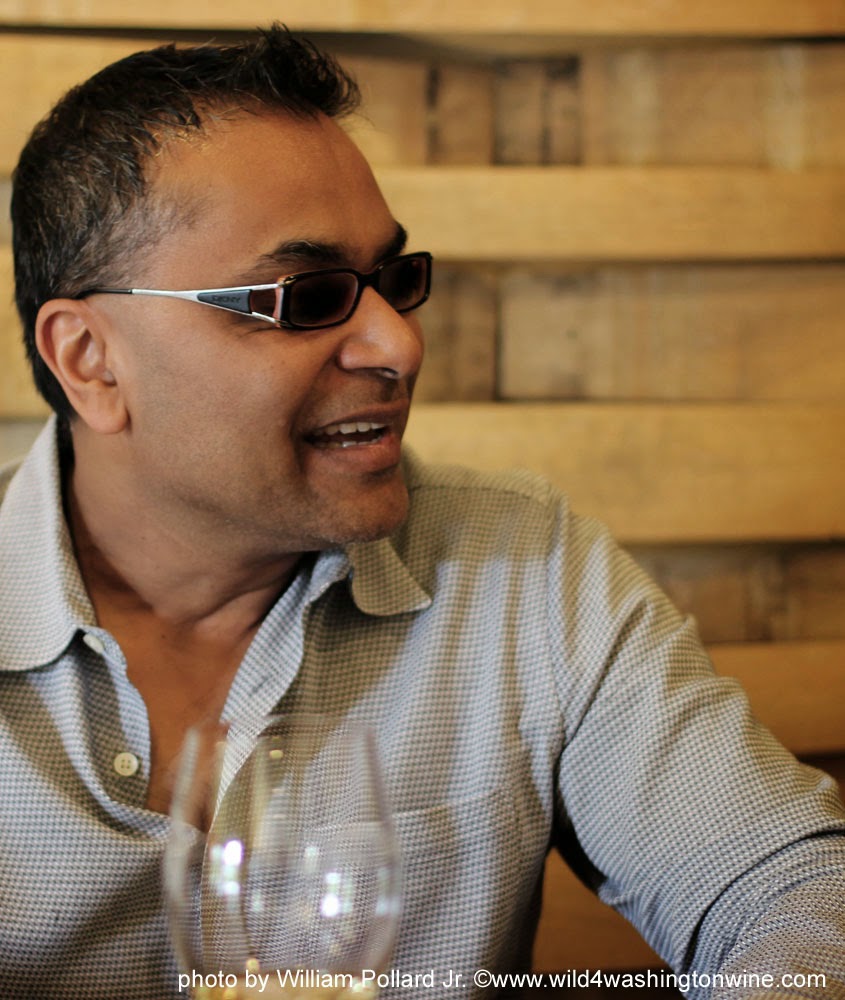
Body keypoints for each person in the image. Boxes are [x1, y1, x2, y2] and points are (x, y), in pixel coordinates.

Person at [1, 25, 843, 1000]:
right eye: (309, 295)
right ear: (91, 360)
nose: (398, 345)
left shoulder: (523, 566)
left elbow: (788, 889)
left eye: (394, 282)